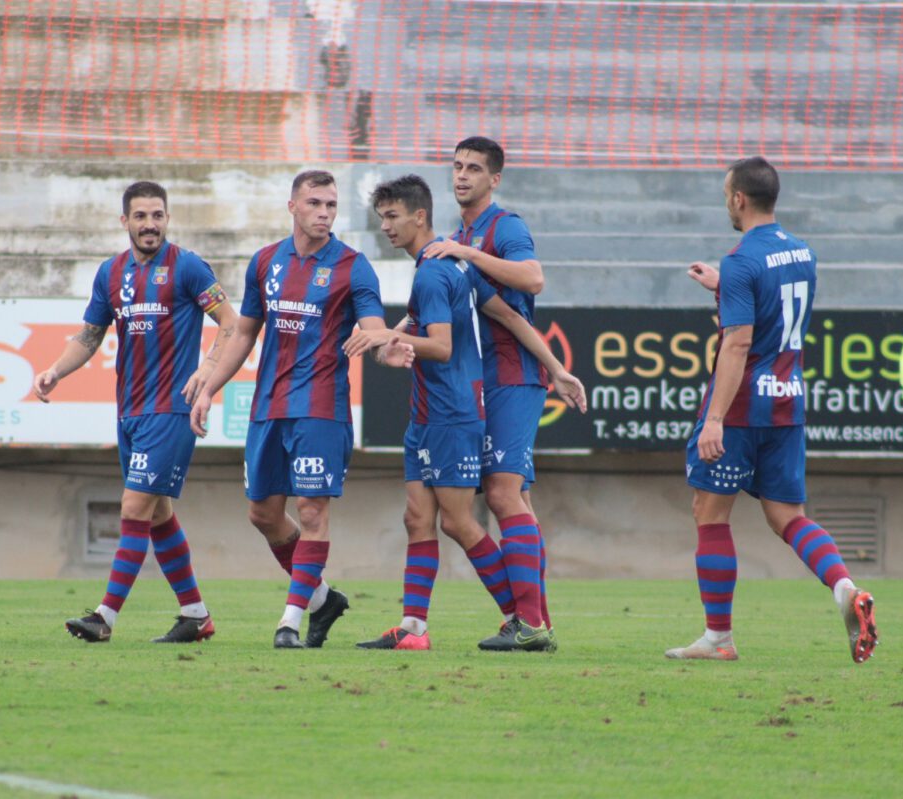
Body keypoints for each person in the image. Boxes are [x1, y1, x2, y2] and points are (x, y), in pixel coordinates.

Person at [345, 174, 586, 652]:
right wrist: (557, 367)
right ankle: (414, 629)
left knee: (459, 521)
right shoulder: (450, 264)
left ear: (419, 216)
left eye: (392, 217)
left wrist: (387, 338)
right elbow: (508, 316)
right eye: (381, 219)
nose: (386, 227)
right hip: (426, 413)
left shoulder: (438, 270)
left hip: (452, 412)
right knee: (418, 517)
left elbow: (439, 345)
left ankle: (525, 619)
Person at [189, 170, 414, 649]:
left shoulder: (354, 267)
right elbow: (245, 331)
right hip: (269, 407)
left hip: (320, 410)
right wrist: (210, 386)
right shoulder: (266, 261)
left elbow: (371, 327)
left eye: (331, 205)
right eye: (314, 203)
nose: (324, 213)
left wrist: (384, 347)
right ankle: (322, 599)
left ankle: (288, 622)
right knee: (263, 514)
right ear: (292, 206)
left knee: (311, 512)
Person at [666, 157, 878, 663]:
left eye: (726, 195)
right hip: (788, 398)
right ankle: (846, 589)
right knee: (786, 515)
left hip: (741, 406)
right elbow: (772, 307)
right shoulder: (802, 252)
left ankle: (719, 638)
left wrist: (714, 418)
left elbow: (737, 344)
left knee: (709, 512)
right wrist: (724, 285)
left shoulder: (742, 259)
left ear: (739, 198)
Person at [34, 181, 238, 644]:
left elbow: (231, 322)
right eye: (141, 216)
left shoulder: (187, 267)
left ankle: (105, 616)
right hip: (130, 411)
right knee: (159, 514)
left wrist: (207, 369)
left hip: (170, 409)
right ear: (124, 221)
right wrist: (55, 371)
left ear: (167, 219)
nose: (150, 224)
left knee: (133, 508)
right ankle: (195, 615)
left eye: (158, 215)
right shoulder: (111, 274)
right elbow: (89, 335)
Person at [419, 135, 557, 648]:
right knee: (515, 496)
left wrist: (466, 252)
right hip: (487, 377)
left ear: (494, 179)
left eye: (474, 169)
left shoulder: (504, 226)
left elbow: (533, 279)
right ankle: (536, 621)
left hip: (513, 375)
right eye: (457, 166)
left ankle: (530, 623)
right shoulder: (462, 232)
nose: (462, 176)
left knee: (500, 494)